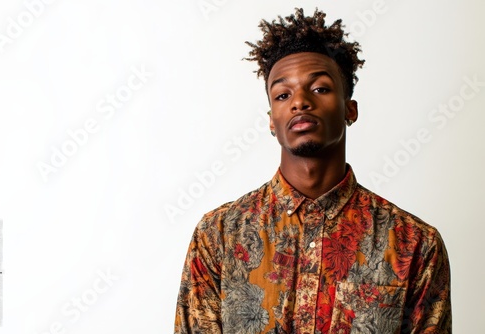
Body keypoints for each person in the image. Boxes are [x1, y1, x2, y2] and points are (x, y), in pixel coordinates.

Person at [174, 8, 451, 334]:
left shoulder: (414, 244)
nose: (300, 101)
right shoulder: (217, 236)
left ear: (350, 109)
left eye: (319, 89)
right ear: (271, 121)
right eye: (283, 94)